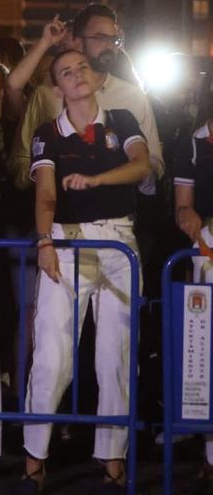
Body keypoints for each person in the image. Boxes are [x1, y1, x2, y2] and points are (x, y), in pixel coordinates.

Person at [17, 49, 152, 493]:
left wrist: (96, 181)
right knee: (53, 354)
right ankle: (34, 457)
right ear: (56, 87)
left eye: (82, 68)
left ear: (95, 76)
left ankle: (113, 458)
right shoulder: (48, 133)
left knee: (116, 355)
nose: (76, 75)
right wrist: (44, 242)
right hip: (67, 239)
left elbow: (141, 166)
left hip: (118, 240)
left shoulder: (123, 119)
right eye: (66, 72)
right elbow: (46, 194)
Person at [7, 5, 164, 192]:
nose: (109, 45)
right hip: (59, 214)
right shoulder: (48, 94)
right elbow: (21, 159)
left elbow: (154, 160)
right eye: (100, 38)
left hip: (118, 214)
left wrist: (129, 176)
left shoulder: (133, 98)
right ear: (79, 42)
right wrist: (50, 178)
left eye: (114, 39)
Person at [175, 84, 213, 489]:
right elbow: (182, 204)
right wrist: (191, 224)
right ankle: (210, 454)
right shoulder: (193, 144)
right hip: (207, 259)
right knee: (206, 357)